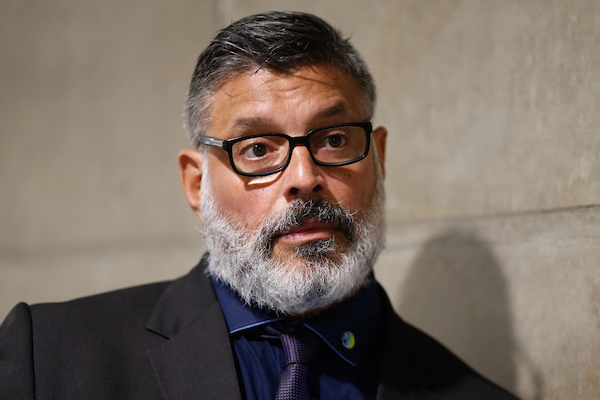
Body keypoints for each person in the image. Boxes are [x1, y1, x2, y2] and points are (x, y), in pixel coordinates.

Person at [0, 11, 518, 399]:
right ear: (196, 184)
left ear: (378, 158)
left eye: (335, 139)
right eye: (256, 149)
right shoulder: (47, 358)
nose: (304, 178)